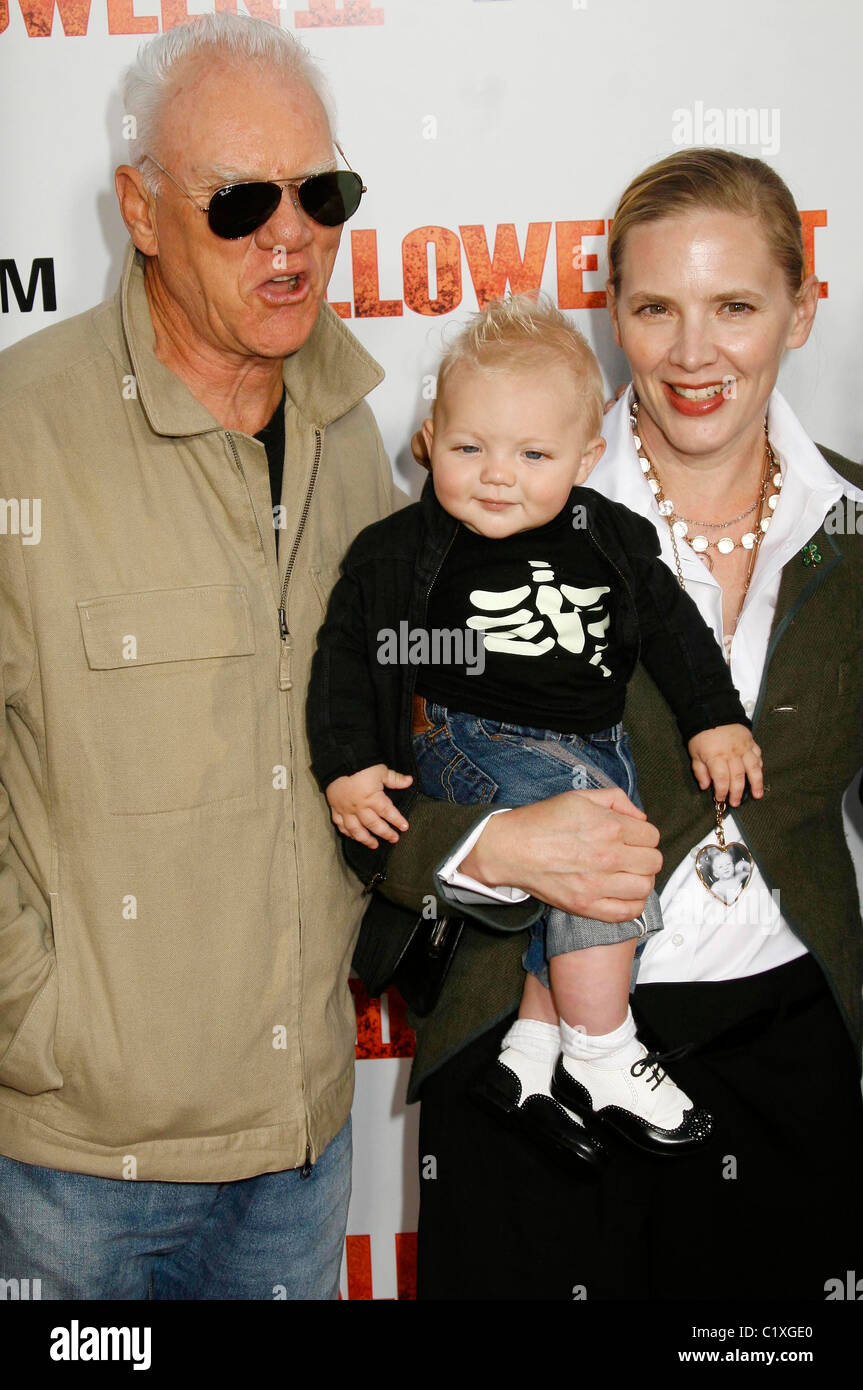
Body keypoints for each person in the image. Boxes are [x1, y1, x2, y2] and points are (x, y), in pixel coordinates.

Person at [396, 148, 863, 1300]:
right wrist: (483, 848)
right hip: (533, 1043)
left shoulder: (851, 524)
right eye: (655, 307)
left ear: (801, 312)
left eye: (735, 307)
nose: (692, 353)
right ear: (613, 315)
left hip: (785, 1050)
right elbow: (368, 776)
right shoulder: (490, 508)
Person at [0, 12, 404, 1301]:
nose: (290, 234)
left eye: (319, 192)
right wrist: (34, 1019)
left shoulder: (356, 432)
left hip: (302, 1140)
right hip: (81, 1168)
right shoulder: (21, 436)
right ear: (142, 210)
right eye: (238, 202)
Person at [308, 295, 763, 1164]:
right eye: (468, 447)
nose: (495, 475)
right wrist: (348, 765)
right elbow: (344, 660)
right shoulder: (399, 548)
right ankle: (603, 1048)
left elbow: (674, 633)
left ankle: (529, 1050)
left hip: (591, 746)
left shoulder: (612, 536)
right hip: (469, 739)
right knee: (602, 859)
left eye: (533, 454)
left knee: (589, 862)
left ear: (587, 457)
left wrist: (715, 720)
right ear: (427, 436)